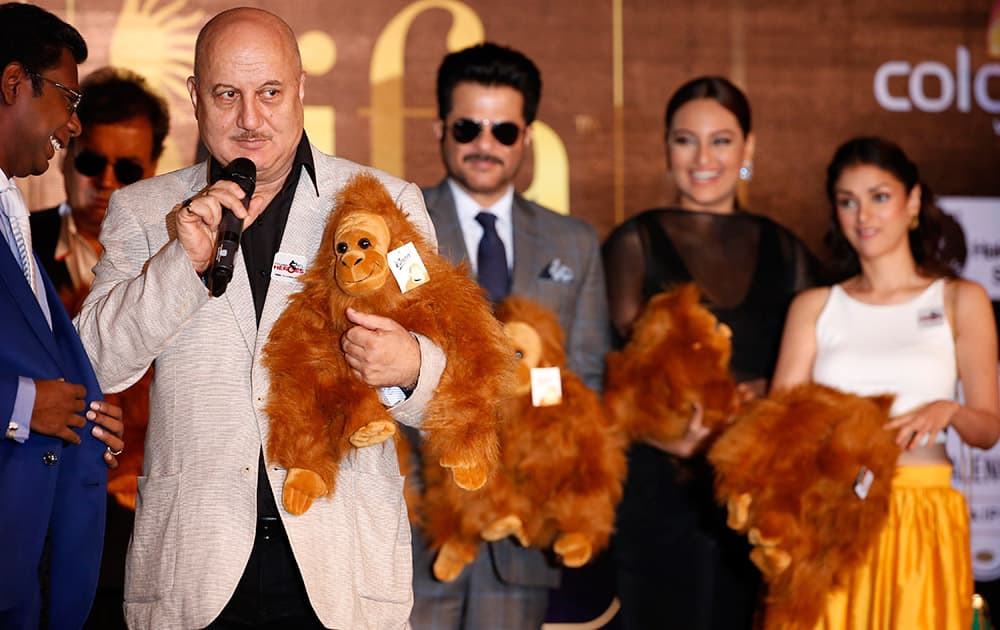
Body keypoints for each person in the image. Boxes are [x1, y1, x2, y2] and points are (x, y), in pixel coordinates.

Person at [75, 7, 444, 629]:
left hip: (339, 569)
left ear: (301, 88)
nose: (251, 119)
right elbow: (94, 363)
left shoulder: (386, 205)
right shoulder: (147, 211)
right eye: (228, 95)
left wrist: (410, 368)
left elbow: (460, 380)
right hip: (195, 571)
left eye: (270, 92)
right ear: (195, 96)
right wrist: (181, 265)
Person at [408, 42, 611, 630]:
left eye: (503, 130)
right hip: (421, 525)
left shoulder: (573, 243)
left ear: (527, 136)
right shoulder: (403, 231)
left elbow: (585, 382)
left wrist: (540, 459)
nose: (484, 145)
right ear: (441, 128)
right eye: (468, 126)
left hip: (524, 530)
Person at [602, 76, 817, 629]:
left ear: (749, 149)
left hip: (753, 507)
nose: (703, 158)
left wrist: (772, 394)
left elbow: (818, 377)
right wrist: (666, 434)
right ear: (665, 147)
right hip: (654, 501)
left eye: (721, 140)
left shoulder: (788, 250)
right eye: (685, 139)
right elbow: (597, 375)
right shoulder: (633, 243)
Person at [770, 135, 1000, 629]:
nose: (863, 216)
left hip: (923, 512)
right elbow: (778, 430)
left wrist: (950, 410)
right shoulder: (815, 307)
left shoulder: (960, 298)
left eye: (879, 197)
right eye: (847, 201)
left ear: (912, 202)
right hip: (831, 515)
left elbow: (987, 429)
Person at [0, 4, 125, 629]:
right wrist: (21, 406)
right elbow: (26, 393)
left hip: (33, 576)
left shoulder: (11, 207)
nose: (73, 125)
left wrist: (90, 412)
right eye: (68, 98)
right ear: (13, 83)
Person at [31, 66, 168, 312]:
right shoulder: (17, 240)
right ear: (66, 156)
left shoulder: (173, 254)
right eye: (91, 163)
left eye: (127, 170)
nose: (106, 181)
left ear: (153, 168)